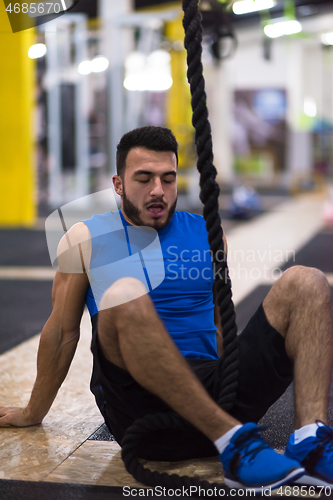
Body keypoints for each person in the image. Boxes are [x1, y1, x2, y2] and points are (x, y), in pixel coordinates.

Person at [1, 126, 333, 492]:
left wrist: (231, 389)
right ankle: (232, 441)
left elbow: (220, 327)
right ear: (118, 184)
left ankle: (310, 439)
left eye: (168, 178)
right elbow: (62, 332)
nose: (158, 190)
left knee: (307, 281)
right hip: (140, 411)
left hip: (212, 393)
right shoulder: (84, 238)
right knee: (125, 292)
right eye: (143, 179)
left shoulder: (208, 233)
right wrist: (34, 411)